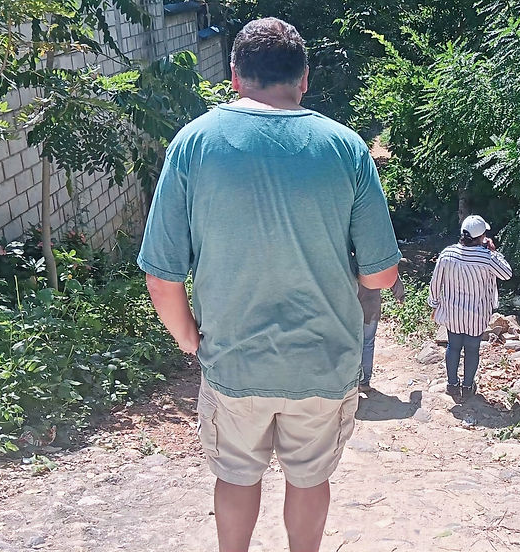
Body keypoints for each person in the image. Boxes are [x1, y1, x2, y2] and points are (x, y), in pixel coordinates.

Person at [137, 17, 400, 552]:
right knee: (309, 479)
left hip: (234, 360)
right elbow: (381, 274)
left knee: (235, 477)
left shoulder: (194, 143)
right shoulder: (346, 148)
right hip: (323, 362)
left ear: (235, 76)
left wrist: (191, 340)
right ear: (304, 79)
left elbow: (162, 276)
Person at [427, 215, 512, 398]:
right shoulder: (487, 257)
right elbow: (507, 274)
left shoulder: (447, 254)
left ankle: (451, 384)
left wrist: (433, 304)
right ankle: (467, 387)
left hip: (453, 313)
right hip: (477, 314)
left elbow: (436, 283)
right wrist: (493, 251)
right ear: (482, 236)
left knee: (453, 347)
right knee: (472, 350)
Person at [357, 275, 405, 392]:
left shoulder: (345, 256)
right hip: (370, 307)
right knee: (367, 344)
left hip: (347, 309)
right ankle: (364, 382)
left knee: (350, 344)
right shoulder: (374, 257)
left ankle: (349, 383)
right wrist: (400, 295)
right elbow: (389, 272)